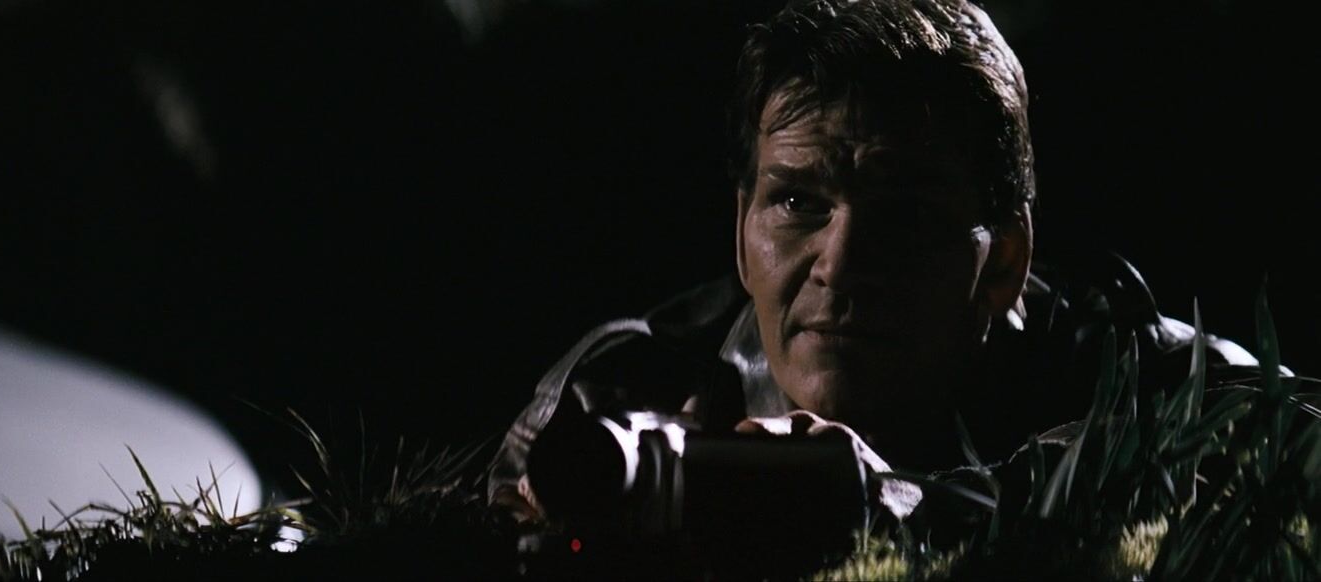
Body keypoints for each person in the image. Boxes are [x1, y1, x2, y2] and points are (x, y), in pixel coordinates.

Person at [488, 0, 1269, 525]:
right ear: (741, 229)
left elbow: (1297, 444)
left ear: (1003, 261)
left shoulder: (1134, 375)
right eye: (798, 202)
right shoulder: (621, 390)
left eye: (905, 217)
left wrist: (891, 504)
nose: (841, 262)